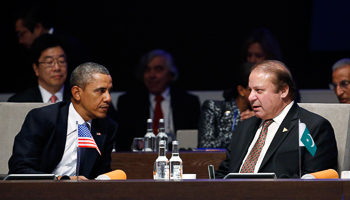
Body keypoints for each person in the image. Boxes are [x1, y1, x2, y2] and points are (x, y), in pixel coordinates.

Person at [215, 60, 337, 178]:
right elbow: (224, 173)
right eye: (250, 90)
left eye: (258, 90)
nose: (251, 97)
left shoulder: (313, 128)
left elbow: (315, 182)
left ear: (283, 91)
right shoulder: (244, 127)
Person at [8, 62, 117, 180]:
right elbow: (19, 170)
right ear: (77, 93)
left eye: (109, 91)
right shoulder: (42, 118)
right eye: (101, 91)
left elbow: (101, 174)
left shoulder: (107, 127)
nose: (108, 98)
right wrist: (60, 180)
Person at [115, 49, 200, 151]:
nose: (152, 75)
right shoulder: (128, 102)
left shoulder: (189, 102)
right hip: (140, 159)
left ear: (170, 74)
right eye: (147, 70)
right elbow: (124, 143)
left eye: (158, 69)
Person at [198, 62, 255, 149]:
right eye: (253, 90)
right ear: (241, 90)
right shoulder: (214, 108)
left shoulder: (262, 115)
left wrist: (259, 122)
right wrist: (242, 129)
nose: (258, 95)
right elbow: (205, 146)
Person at [8, 34, 71, 103]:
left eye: (61, 61)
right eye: (49, 62)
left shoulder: (80, 99)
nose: (57, 68)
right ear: (36, 69)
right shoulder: (19, 102)